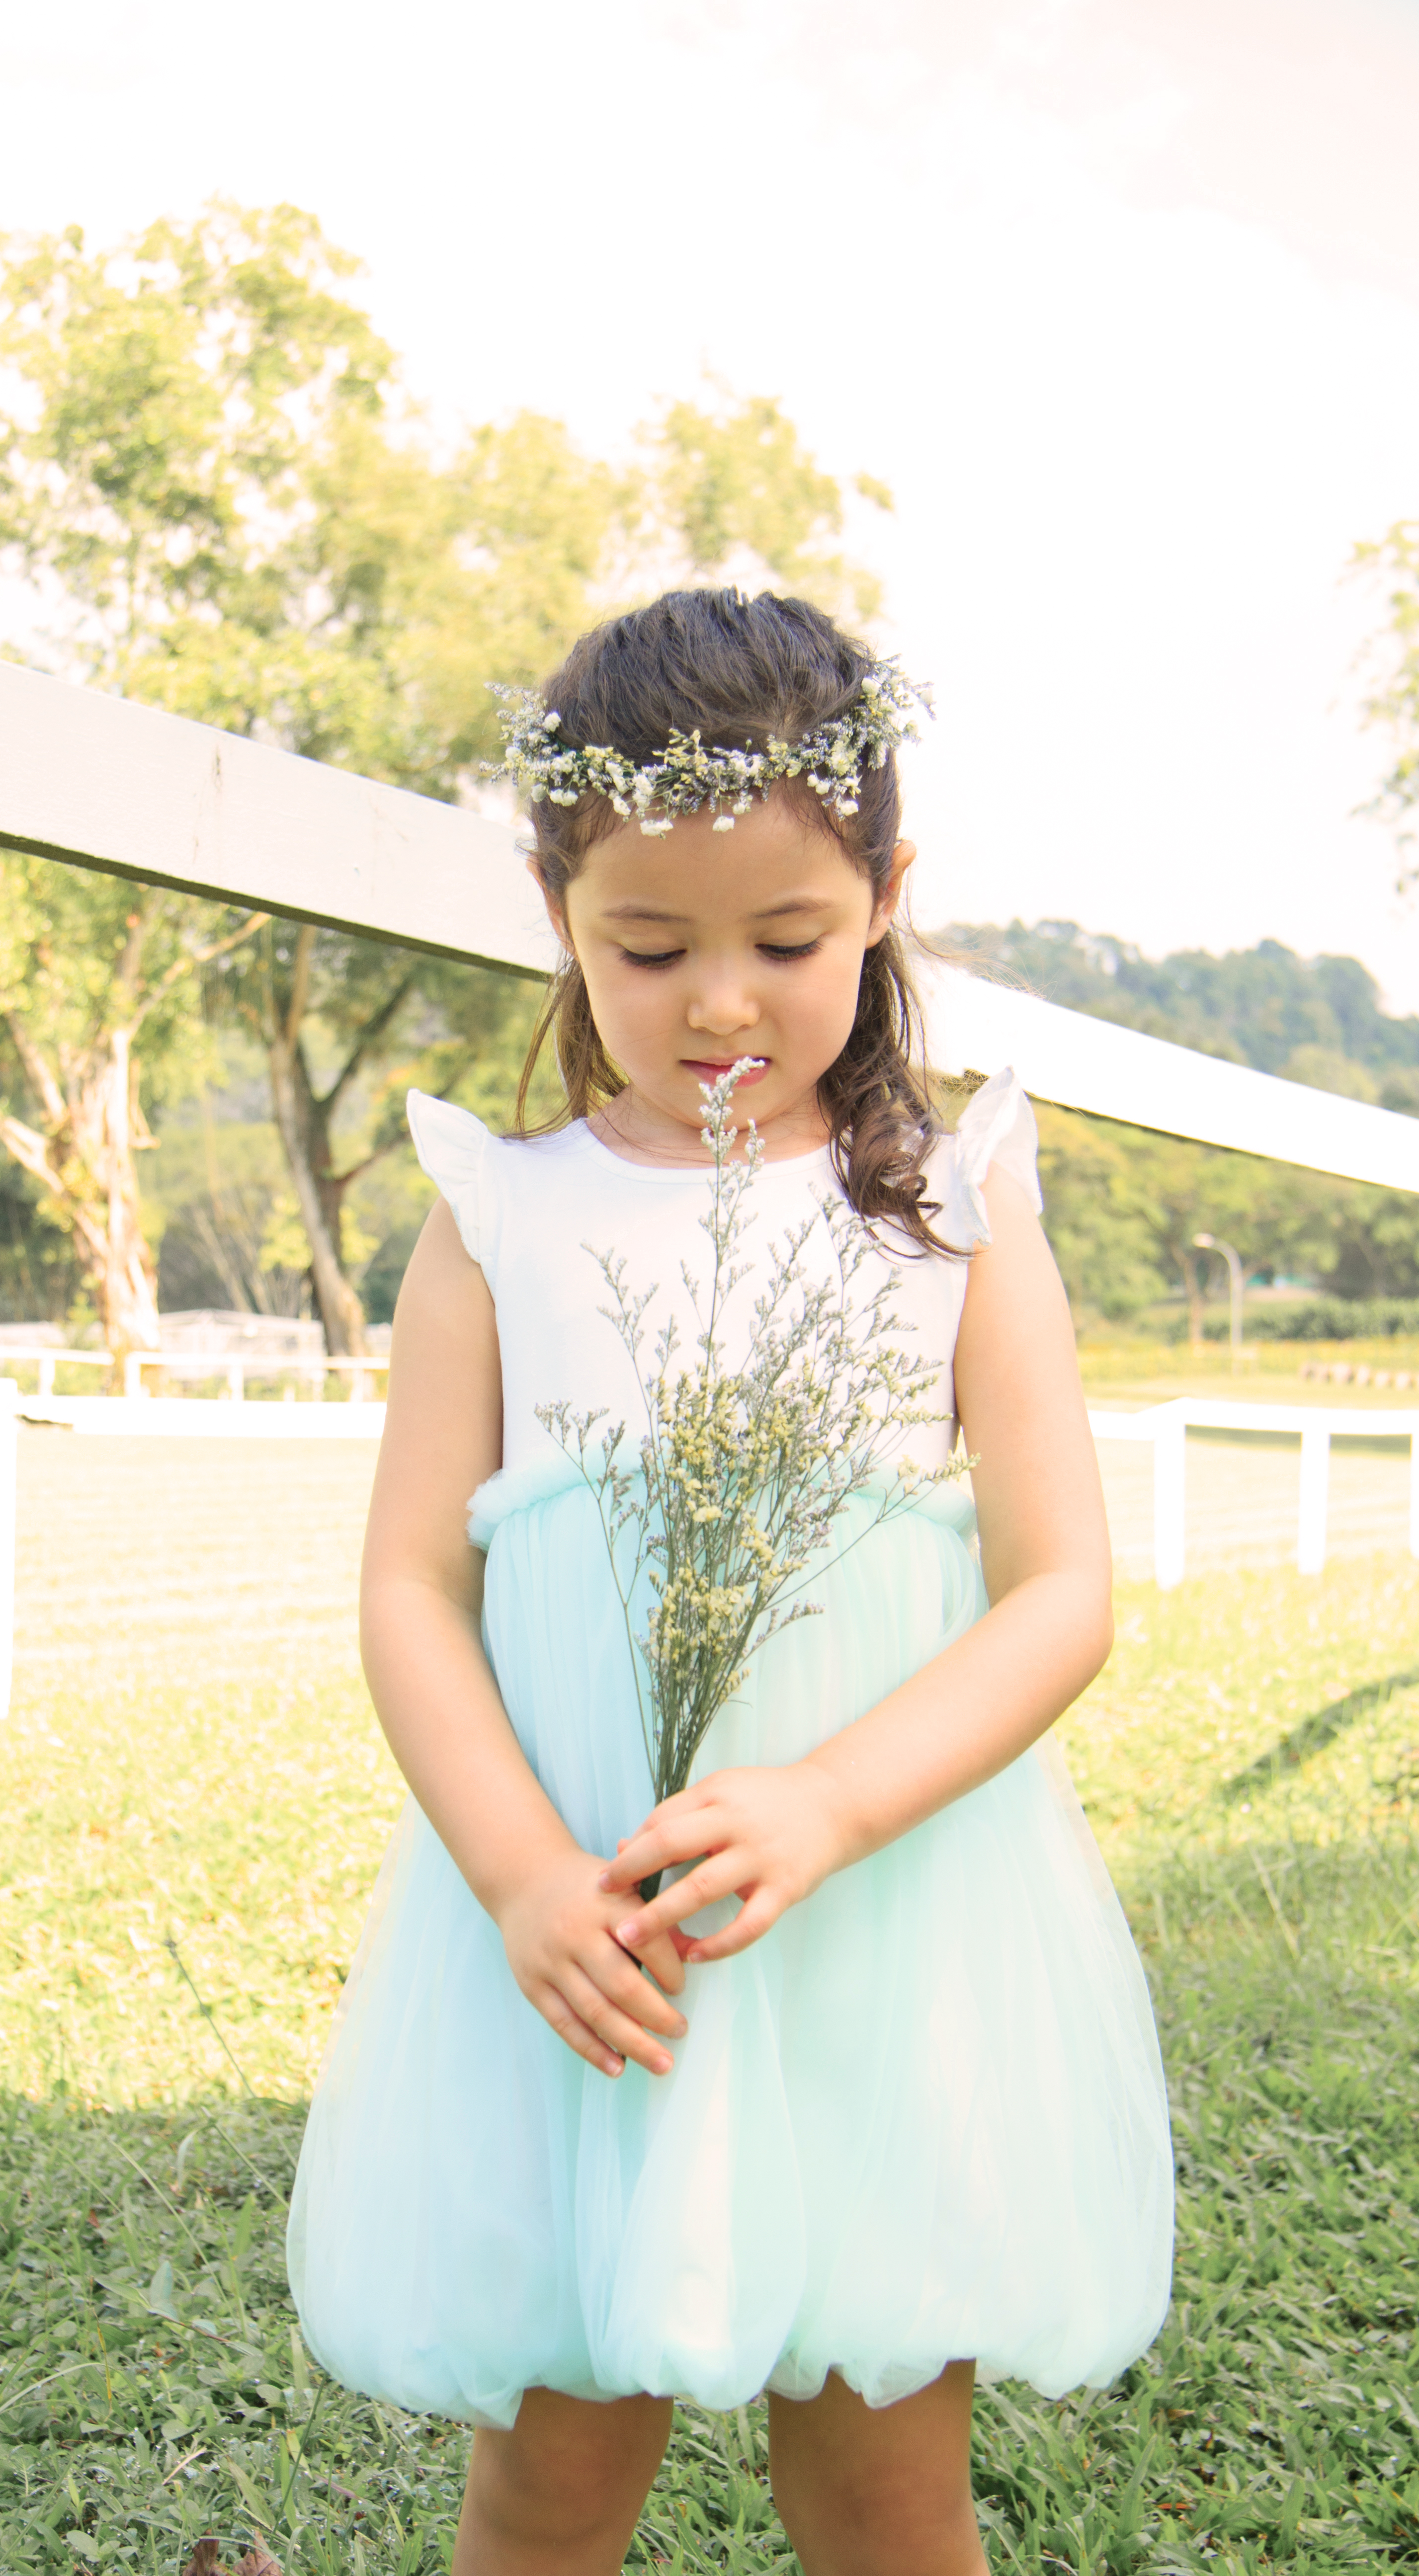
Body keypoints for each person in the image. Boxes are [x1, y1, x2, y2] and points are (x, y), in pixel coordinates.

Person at [288, 588, 1172, 2576]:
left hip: (870, 1934)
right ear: (560, 918)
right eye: (647, 947)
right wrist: (524, 1875)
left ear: (884, 899)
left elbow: (1059, 1590)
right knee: (550, 2476)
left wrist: (829, 1800)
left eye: (787, 942)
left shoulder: (956, 1206)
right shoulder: (498, 1213)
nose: (719, 1007)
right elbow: (412, 1589)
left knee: (877, 2485)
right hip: (587, 1948)